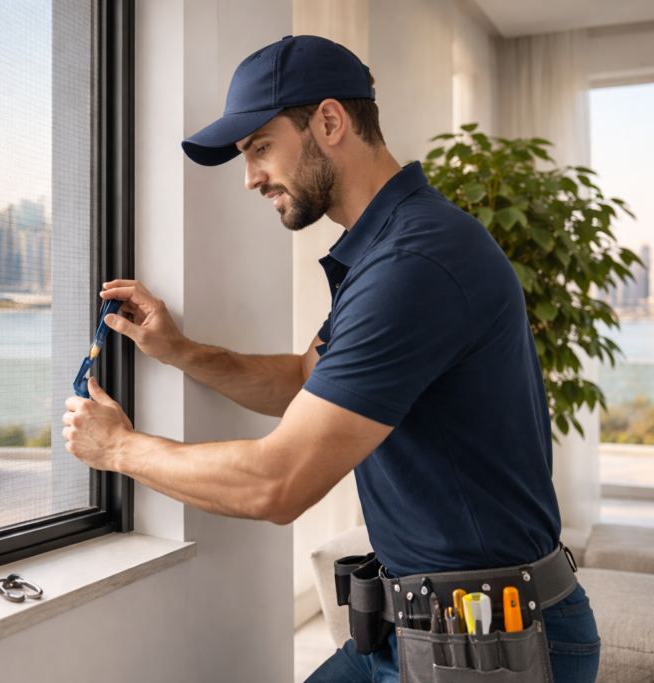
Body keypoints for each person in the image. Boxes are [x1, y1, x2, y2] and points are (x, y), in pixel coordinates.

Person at [61, 35, 600, 682]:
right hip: (412, 632)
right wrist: (179, 351)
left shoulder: (414, 263)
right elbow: (302, 378)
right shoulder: (384, 249)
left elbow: (278, 482)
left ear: (329, 122)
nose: (250, 177)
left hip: (493, 648)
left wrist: (117, 449)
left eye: (260, 148)